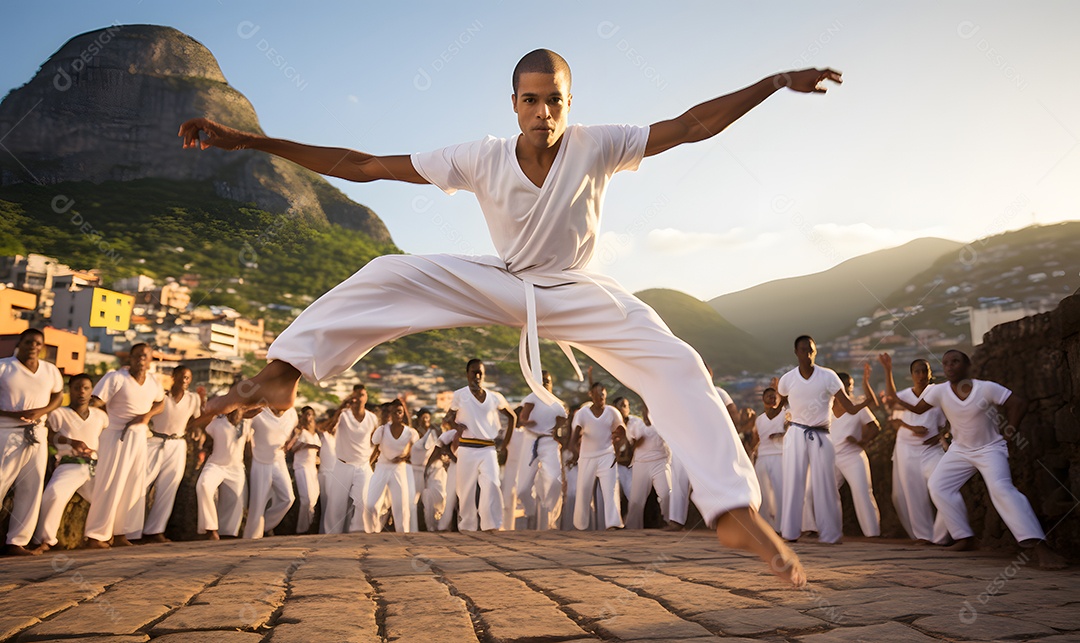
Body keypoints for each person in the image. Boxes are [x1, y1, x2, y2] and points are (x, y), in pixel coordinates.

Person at [179, 51, 843, 586]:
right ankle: (281, 372)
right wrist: (246, 139)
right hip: (503, 283)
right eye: (531, 98)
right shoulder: (481, 156)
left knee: (679, 362)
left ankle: (732, 508)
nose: (543, 110)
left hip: (579, 289)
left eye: (555, 98)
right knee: (385, 273)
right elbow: (362, 166)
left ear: (569, 103)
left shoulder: (599, 143)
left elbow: (692, 124)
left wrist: (777, 81)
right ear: (514, 104)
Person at [890, 349, 1065, 569]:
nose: (950, 366)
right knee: (938, 486)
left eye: (955, 362)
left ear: (967, 366)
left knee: (1002, 490)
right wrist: (889, 380)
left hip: (990, 449)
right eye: (946, 363)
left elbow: (1018, 404)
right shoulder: (940, 391)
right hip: (959, 451)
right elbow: (917, 407)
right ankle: (964, 537)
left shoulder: (986, 388)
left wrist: (1010, 433)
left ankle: (1041, 548)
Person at [776, 336, 877, 544]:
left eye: (811, 350)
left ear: (816, 351)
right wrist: (786, 417)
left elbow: (848, 407)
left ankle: (830, 534)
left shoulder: (828, 376)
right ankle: (790, 532)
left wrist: (868, 400)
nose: (808, 354)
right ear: (796, 352)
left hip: (822, 434)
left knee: (826, 484)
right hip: (796, 433)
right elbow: (782, 401)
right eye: (803, 349)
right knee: (794, 482)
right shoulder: (787, 379)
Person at [84, 344, 165, 548]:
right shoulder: (116, 377)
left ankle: (121, 533)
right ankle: (96, 535)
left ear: (150, 360)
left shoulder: (153, 382)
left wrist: (146, 415)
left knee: (133, 484)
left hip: (138, 437)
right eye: (137, 355)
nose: (141, 359)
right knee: (110, 482)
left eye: (144, 356)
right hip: (115, 435)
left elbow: (161, 403)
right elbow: (96, 401)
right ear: (130, 357)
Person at [0, 329, 64, 556]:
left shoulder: (50, 370)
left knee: (32, 486)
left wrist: (42, 411)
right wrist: (13, 414)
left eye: (38, 343)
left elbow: (58, 395)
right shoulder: (4, 367)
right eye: (29, 342)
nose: (33, 346)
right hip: (7, 432)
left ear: (42, 346)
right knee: (1, 482)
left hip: (37, 433)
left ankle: (17, 541)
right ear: (20, 343)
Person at [878, 354, 949, 544]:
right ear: (912, 375)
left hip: (932, 449)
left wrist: (941, 435)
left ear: (930, 373)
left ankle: (942, 536)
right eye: (917, 371)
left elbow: (949, 420)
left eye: (924, 370)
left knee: (944, 485)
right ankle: (924, 536)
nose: (921, 374)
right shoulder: (904, 395)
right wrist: (887, 370)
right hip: (906, 449)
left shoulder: (937, 392)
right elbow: (892, 412)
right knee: (913, 494)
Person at [32, 374, 108, 552]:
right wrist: (71, 442)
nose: (81, 392)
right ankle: (46, 539)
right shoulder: (59, 414)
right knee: (54, 493)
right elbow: (50, 437)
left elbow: (108, 439)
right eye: (77, 388)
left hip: (95, 467)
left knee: (110, 493)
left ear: (92, 391)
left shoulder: (100, 416)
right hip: (70, 464)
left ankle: (96, 537)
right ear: (69, 390)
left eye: (86, 388)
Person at [442, 359, 516, 531]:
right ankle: (467, 526)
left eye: (480, 372)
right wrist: (456, 426)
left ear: (484, 375)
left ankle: (492, 525)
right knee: (465, 490)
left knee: (491, 484)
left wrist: (505, 445)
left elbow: (512, 417)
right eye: (473, 372)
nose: (477, 376)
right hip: (467, 448)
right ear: (467, 374)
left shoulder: (495, 397)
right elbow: (446, 418)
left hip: (488, 449)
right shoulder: (460, 395)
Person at [143, 365, 202, 543]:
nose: (185, 380)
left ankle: (155, 530)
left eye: (188, 378)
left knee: (168, 488)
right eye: (182, 376)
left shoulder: (193, 399)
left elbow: (195, 420)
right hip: (154, 442)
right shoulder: (162, 397)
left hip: (178, 444)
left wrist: (198, 431)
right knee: (142, 485)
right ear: (174, 377)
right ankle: (131, 530)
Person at [829, 366, 881, 538]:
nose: (848, 389)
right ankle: (830, 531)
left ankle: (872, 534)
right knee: (826, 493)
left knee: (862, 492)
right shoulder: (826, 408)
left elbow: (875, 427)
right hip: (831, 458)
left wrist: (862, 441)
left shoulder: (858, 406)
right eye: (845, 385)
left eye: (850, 385)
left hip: (853, 456)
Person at [321, 385, 376, 533]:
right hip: (342, 465)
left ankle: (358, 531)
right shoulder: (343, 415)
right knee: (336, 504)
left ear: (366, 397)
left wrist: (371, 459)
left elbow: (377, 441)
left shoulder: (372, 418)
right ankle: (332, 535)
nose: (359, 399)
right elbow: (327, 428)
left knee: (364, 500)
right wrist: (340, 408)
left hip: (362, 465)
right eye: (356, 395)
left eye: (362, 395)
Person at [191, 409, 253, 540]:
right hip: (216, 465)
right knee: (203, 485)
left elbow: (248, 447)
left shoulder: (247, 423)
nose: (236, 412)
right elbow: (203, 429)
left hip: (236, 468)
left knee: (236, 501)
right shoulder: (217, 422)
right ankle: (210, 529)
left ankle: (227, 534)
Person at [516, 370, 567, 530]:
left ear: (552, 384)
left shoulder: (558, 405)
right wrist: (526, 422)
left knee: (555, 483)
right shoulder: (532, 398)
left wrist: (560, 432)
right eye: (542, 381)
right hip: (531, 440)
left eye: (547, 381)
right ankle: (531, 512)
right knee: (522, 488)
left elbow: (564, 424)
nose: (545, 384)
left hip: (550, 443)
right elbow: (522, 417)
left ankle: (550, 515)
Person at [571, 382, 624, 530]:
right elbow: (575, 435)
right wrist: (574, 452)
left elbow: (622, 430)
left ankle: (613, 523)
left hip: (607, 455)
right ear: (591, 395)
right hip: (587, 457)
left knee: (610, 490)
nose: (600, 396)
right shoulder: (582, 413)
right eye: (597, 393)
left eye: (603, 393)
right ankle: (580, 525)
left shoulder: (612, 412)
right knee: (583, 490)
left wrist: (618, 447)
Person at [366, 399, 420, 532]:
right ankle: (372, 531)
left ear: (403, 414)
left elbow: (415, 451)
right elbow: (374, 443)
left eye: (400, 412)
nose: (397, 414)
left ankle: (404, 536)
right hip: (382, 467)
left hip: (399, 469)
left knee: (401, 507)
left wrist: (405, 456)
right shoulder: (382, 430)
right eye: (394, 412)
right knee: (370, 504)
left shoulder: (410, 432)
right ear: (390, 413)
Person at [244, 406, 298, 538]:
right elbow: (245, 434)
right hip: (260, 461)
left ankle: (266, 525)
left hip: (279, 460)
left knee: (288, 498)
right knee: (258, 504)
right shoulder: (259, 412)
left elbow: (295, 429)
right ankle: (251, 538)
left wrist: (289, 442)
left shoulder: (291, 413)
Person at [623, 402, 671, 530]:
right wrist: (636, 443)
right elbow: (629, 447)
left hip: (660, 463)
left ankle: (669, 522)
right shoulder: (635, 425)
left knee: (666, 493)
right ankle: (632, 527)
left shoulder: (662, 425)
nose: (647, 412)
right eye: (645, 409)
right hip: (641, 464)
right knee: (636, 500)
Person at [752, 387, 786, 532]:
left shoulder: (785, 415)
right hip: (762, 458)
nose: (772, 399)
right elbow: (755, 440)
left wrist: (781, 434)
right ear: (763, 399)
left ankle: (783, 526)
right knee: (763, 493)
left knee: (780, 492)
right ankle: (765, 526)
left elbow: (791, 428)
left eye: (775, 396)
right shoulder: (759, 419)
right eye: (769, 396)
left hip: (779, 456)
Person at [288, 405, 321, 534]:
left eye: (311, 414)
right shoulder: (299, 431)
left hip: (312, 468)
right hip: (301, 467)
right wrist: (307, 445)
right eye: (306, 414)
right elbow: (292, 448)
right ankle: (301, 529)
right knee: (306, 498)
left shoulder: (315, 433)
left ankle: (309, 526)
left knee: (313, 498)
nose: (309, 417)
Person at [408, 408, 439, 530]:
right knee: (413, 499)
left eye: (428, 417)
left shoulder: (433, 434)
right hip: (414, 469)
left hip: (429, 470)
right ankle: (413, 527)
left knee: (429, 498)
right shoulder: (414, 433)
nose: (426, 420)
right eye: (423, 417)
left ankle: (428, 525)